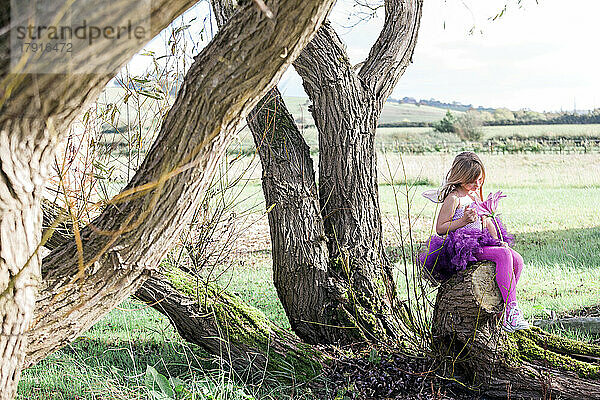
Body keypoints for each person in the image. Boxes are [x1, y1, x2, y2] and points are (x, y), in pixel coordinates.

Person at [419, 151, 529, 332]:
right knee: (502, 256)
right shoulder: (454, 198)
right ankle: (512, 311)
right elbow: (440, 228)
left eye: (480, 180)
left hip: (481, 240)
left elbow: (486, 221)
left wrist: (496, 240)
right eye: (472, 181)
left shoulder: (475, 196)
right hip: (462, 246)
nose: (477, 185)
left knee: (516, 259)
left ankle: (502, 310)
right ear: (459, 178)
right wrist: (463, 221)